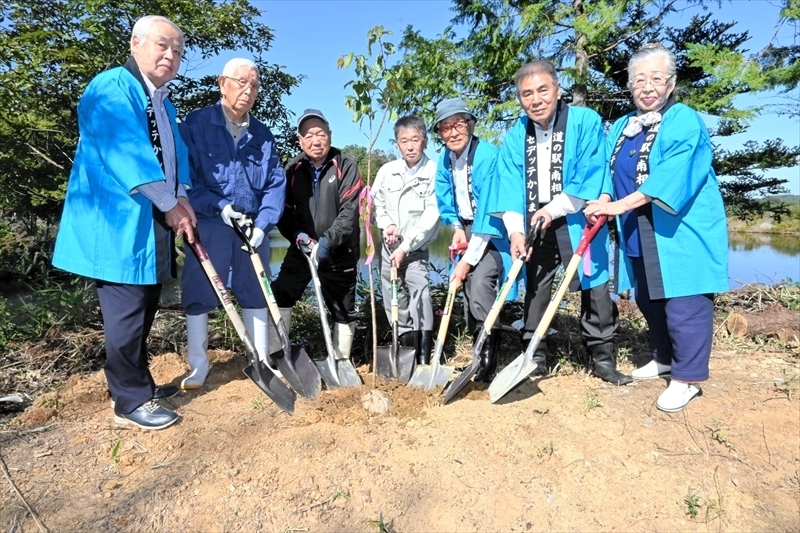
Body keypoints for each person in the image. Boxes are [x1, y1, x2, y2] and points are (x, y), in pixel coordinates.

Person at [52, 16, 195, 430]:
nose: (170, 55)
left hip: (148, 222)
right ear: (136, 42)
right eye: (163, 45)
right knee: (127, 311)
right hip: (116, 222)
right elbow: (126, 152)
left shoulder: (162, 100)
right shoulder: (112, 87)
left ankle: (139, 385)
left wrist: (181, 197)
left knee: (146, 304)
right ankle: (129, 402)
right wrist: (169, 202)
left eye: (178, 51)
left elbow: (176, 156)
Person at [584, 42, 729, 412]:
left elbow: (671, 176)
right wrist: (602, 201)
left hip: (678, 228)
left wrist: (617, 205)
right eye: (639, 80)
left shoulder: (683, 119)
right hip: (638, 227)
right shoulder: (622, 125)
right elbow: (606, 169)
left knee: (685, 301)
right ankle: (664, 357)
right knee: (649, 297)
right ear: (630, 85)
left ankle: (687, 378)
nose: (647, 87)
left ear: (671, 82)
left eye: (656, 78)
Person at [493, 60, 632, 386]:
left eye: (543, 90)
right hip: (535, 221)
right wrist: (515, 230)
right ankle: (534, 355)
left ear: (557, 90)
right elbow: (510, 185)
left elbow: (590, 174)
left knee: (595, 286)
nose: (535, 99)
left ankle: (601, 357)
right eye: (527, 94)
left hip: (577, 217)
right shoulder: (516, 135)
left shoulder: (585, 121)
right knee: (537, 289)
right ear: (520, 99)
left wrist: (552, 210)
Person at [178, 58, 286, 390]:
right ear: (222, 83)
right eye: (241, 82)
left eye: (254, 86)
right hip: (208, 222)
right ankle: (198, 365)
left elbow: (275, 184)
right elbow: (185, 179)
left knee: (256, 291)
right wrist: (220, 206)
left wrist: (263, 224)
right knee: (200, 291)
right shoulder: (195, 125)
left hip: (252, 227)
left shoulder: (262, 134)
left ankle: (262, 360)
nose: (248, 91)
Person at [272, 109, 363, 367]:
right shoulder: (293, 169)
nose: (316, 140)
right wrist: (298, 235)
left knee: (343, 310)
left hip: (338, 252)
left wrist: (327, 242)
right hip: (302, 250)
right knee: (281, 295)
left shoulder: (345, 165)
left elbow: (349, 213)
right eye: (309, 135)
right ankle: (279, 356)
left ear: (330, 135)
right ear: (300, 140)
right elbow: (283, 213)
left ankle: (341, 361)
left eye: (321, 133)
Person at [433, 98, 511, 382]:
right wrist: (455, 226)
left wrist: (466, 261)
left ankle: (489, 359)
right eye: (445, 128)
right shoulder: (445, 158)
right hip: (466, 228)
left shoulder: (487, 156)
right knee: (464, 291)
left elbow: (490, 211)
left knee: (479, 284)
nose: (453, 133)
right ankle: (477, 354)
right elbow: (445, 196)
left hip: (494, 230)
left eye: (458, 125)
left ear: (470, 124)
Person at [372, 115, 440, 365]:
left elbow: (431, 216)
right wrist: (387, 224)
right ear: (397, 144)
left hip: (415, 250)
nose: (410, 146)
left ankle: (423, 356)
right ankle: (404, 351)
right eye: (404, 141)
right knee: (393, 299)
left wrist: (405, 245)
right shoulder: (387, 171)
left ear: (425, 140)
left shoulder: (434, 172)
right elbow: (377, 204)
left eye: (415, 139)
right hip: (388, 249)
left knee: (420, 293)